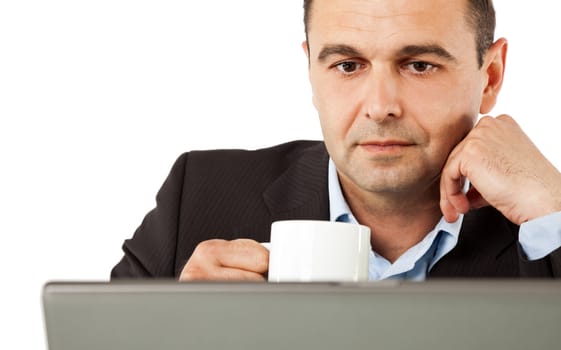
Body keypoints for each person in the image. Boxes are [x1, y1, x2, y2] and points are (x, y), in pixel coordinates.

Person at [112, 0, 561, 281]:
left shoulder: (544, 226)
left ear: (491, 76)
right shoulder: (198, 196)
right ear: (311, 71)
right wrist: (174, 331)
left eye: (420, 65)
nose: (381, 106)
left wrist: (555, 208)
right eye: (348, 65)